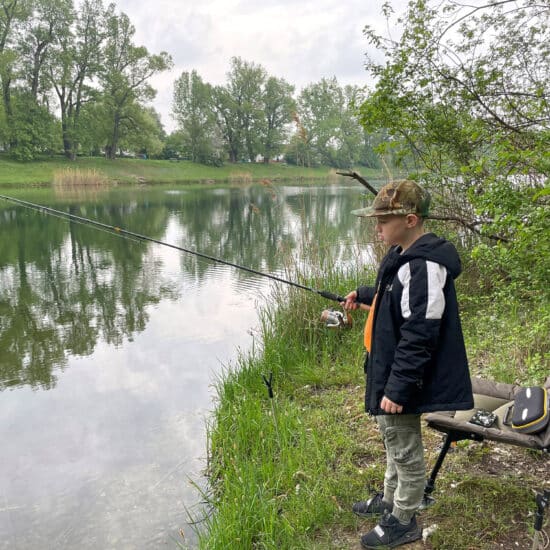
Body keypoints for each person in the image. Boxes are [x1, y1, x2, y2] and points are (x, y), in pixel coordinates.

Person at [343, 180, 474, 549]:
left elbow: (421, 331)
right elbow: (395, 297)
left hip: (403, 380)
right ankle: (389, 500)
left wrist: (398, 388)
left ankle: (404, 519)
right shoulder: (402, 254)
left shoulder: (425, 266)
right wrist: (366, 294)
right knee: (392, 440)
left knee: (405, 449)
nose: (377, 227)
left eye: (383, 220)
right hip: (386, 372)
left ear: (411, 219)